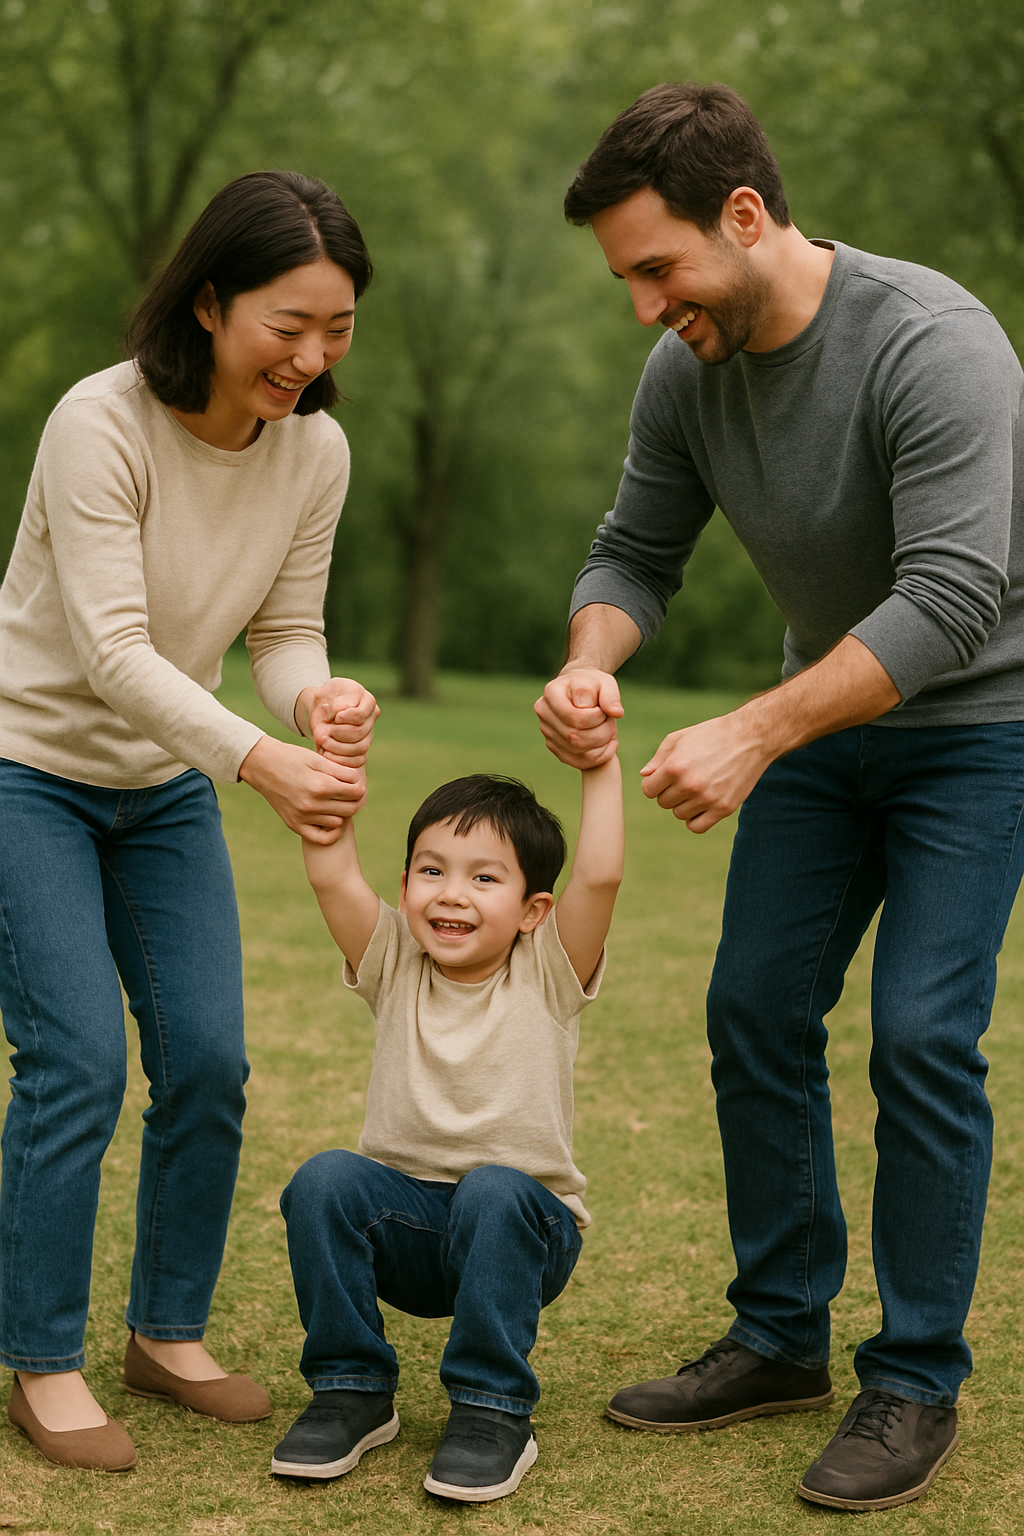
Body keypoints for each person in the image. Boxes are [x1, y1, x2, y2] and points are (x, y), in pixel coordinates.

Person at [535, 81, 1024, 1513]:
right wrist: (588, 662)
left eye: (659, 269)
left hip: (981, 728)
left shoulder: (933, 343)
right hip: (824, 733)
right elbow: (635, 551)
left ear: (744, 215)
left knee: (922, 1033)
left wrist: (753, 731)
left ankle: (914, 1376)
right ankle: (780, 1337)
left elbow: (952, 597)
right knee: (754, 1010)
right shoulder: (686, 370)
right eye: (630, 282)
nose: (647, 309)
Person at [0, 171, 380, 1472]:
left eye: (337, 329)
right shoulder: (98, 422)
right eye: (289, 325)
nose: (312, 358)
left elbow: (283, 629)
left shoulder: (314, 452)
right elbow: (112, 651)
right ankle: (42, 1361)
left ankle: (164, 1335)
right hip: (27, 767)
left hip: (159, 787)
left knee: (208, 1063)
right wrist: (261, 762)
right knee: (76, 1065)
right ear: (210, 303)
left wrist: (316, 700)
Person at [272, 763, 623, 1502]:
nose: (452, 893)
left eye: (484, 878)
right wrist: (336, 761)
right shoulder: (395, 961)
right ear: (405, 887)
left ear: (533, 910)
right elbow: (332, 875)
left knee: (492, 1189)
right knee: (325, 1179)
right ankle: (351, 1390)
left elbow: (600, 876)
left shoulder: (548, 970)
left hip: (522, 1230)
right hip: (409, 1225)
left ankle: (493, 1410)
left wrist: (599, 763)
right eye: (432, 871)